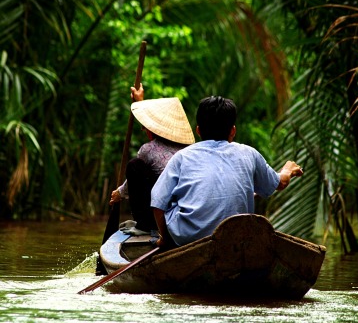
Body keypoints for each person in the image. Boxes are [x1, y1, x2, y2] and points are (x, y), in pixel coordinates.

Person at [151, 95, 303, 248]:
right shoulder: (249, 153)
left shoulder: (182, 157)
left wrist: (165, 239)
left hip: (188, 239)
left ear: (198, 130)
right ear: (233, 131)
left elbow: (158, 202)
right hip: (236, 237)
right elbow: (280, 183)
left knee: (170, 199)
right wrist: (288, 169)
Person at [109, 84, 195, 234]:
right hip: (189, 212)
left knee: (134, 166)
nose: (145, 130)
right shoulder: (190, 149)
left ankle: (144, 225)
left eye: (146, 128)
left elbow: (131, 183)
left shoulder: (148, 149)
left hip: (162, 214)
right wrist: (139, 101)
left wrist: (119, 194)